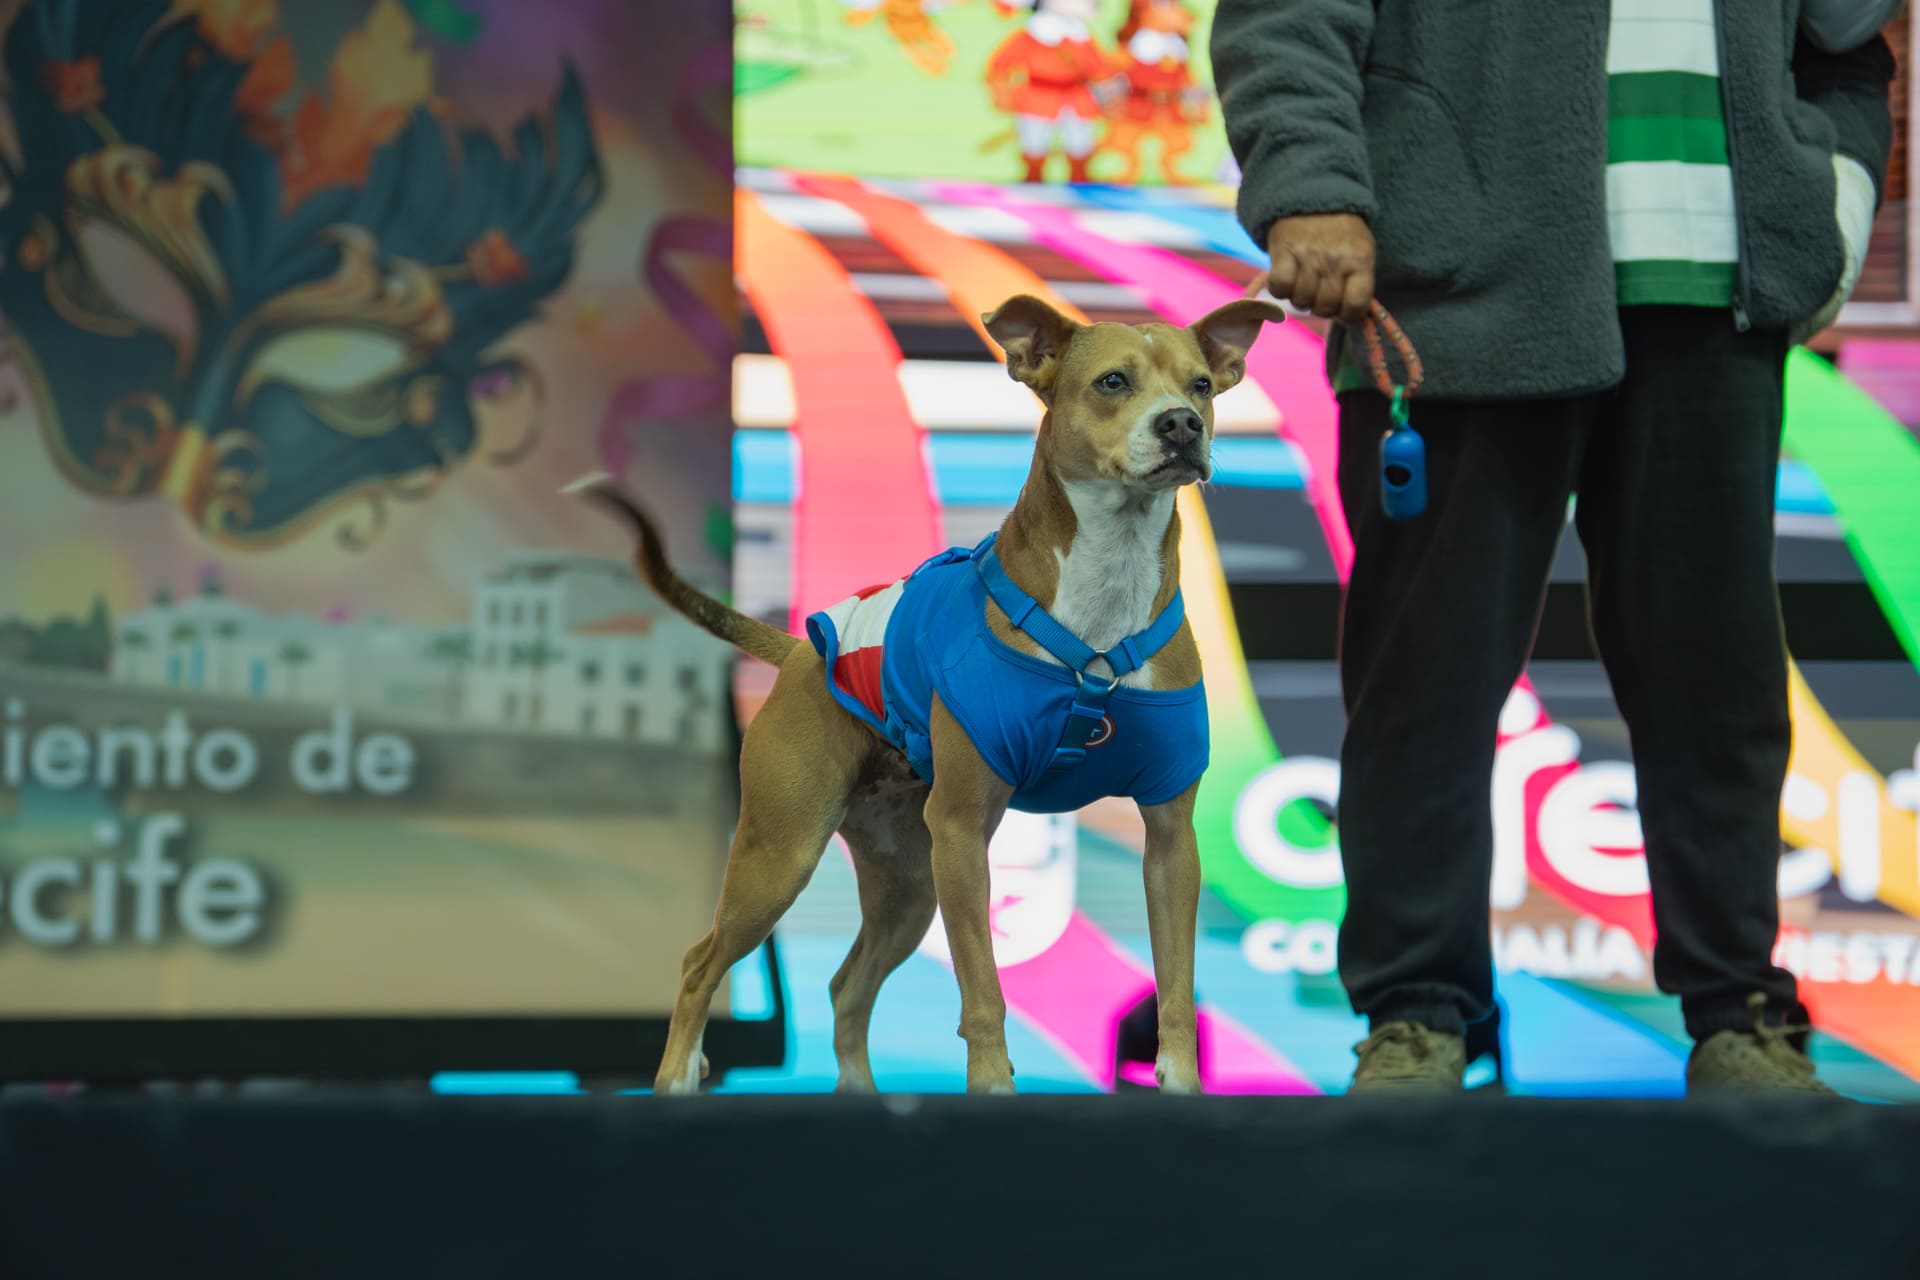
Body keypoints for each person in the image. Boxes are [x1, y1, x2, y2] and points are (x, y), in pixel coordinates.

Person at [1212, 2, 1897, 1093]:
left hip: (1713, 298)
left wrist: (1829, 213)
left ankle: (1741, 1012)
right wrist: (1311, 184)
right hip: (1463, 290)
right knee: (1423, 678)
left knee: (1717, 684)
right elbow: (1289, 15)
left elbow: (1846, 45)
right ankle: (1421, 1012)